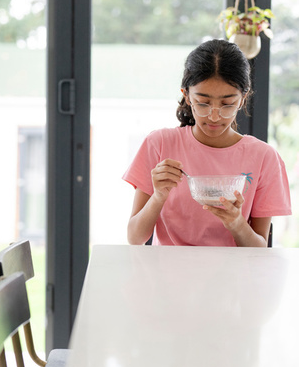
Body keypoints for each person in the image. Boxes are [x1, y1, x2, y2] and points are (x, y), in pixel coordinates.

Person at [123, 39, 291, 247]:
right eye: (203, 102)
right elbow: (135, 238)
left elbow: (260, 249)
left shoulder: (264, 157)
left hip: (234, 277)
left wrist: (236, 222)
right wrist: (158, 196)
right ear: (187, 96)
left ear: (242, 99)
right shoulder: (159, 144)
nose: (213, 116)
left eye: (227, 104)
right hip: (168, 275)